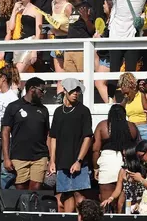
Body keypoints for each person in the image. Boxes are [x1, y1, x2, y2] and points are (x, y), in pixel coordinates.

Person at [50, 78, 94, 212]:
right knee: (66, 194)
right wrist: (52, 161)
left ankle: (84, 217)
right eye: (73, 90)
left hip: (78, 161)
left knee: (79, 194)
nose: (76, 93)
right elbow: (53, 137)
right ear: (65, 91)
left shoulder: (83, 111)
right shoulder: (58, 112)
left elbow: (88, 137)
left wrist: (79, 160)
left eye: (78, 91)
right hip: (62, 161)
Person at [1, 77, 50, 191]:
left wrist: (50, 158)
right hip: (19, 156)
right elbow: (5, 132)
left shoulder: (44, 110)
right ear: (32, 89)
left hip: (39, 156)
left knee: (35, 190)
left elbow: (47, 134)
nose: (43, 94)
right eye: (42, 91)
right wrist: (6, 158)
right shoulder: (13, 107)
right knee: (21, 191)